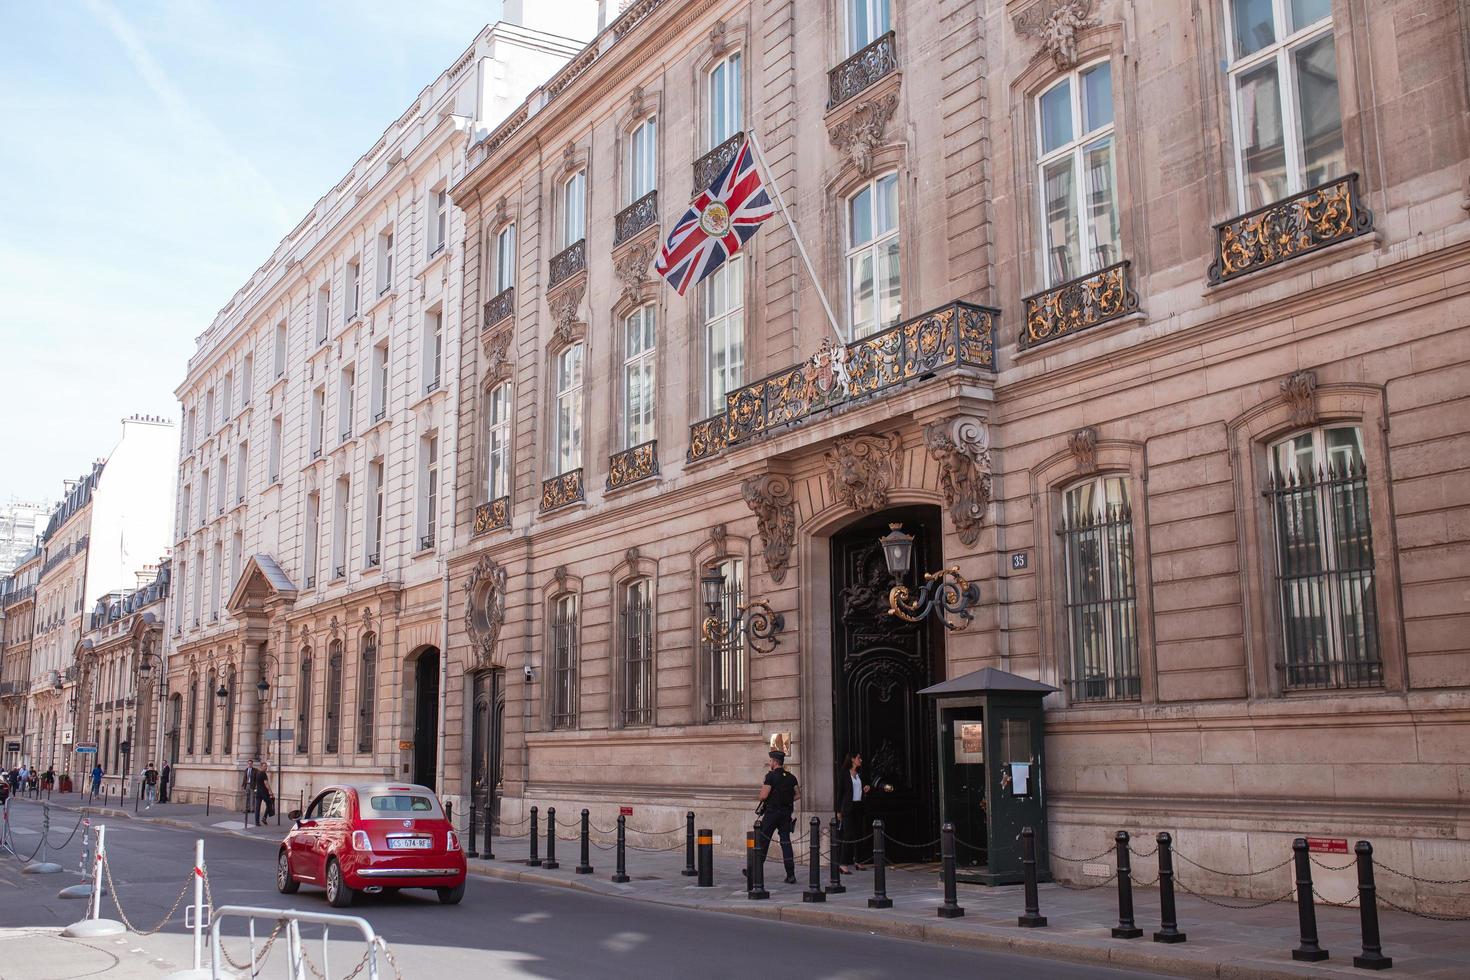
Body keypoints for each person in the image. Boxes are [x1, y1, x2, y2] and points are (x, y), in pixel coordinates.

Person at [754, 749, 800, 884]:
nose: (770, 763)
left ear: (774, 762)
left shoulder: (771, 776)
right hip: (786, 813)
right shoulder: (791, 777)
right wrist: (786, 800)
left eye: (770, 761)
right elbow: (798, 795)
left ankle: (755, 870)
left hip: (772, 813)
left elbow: (763, 796)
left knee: (763, 840)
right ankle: (791, 874)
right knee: (785, 842)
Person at [835, 751, 871, 873]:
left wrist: (866, 788)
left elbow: (863, 788)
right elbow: (840, 793)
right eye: (858, 758)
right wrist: (838, 810)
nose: (860, 760)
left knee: (859, 835)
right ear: (852, 759)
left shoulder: (860, 775)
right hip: (848, 808)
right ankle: (843, 863)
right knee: (848, 835)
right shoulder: (844, 774)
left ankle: (858, 861)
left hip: (859, 807)